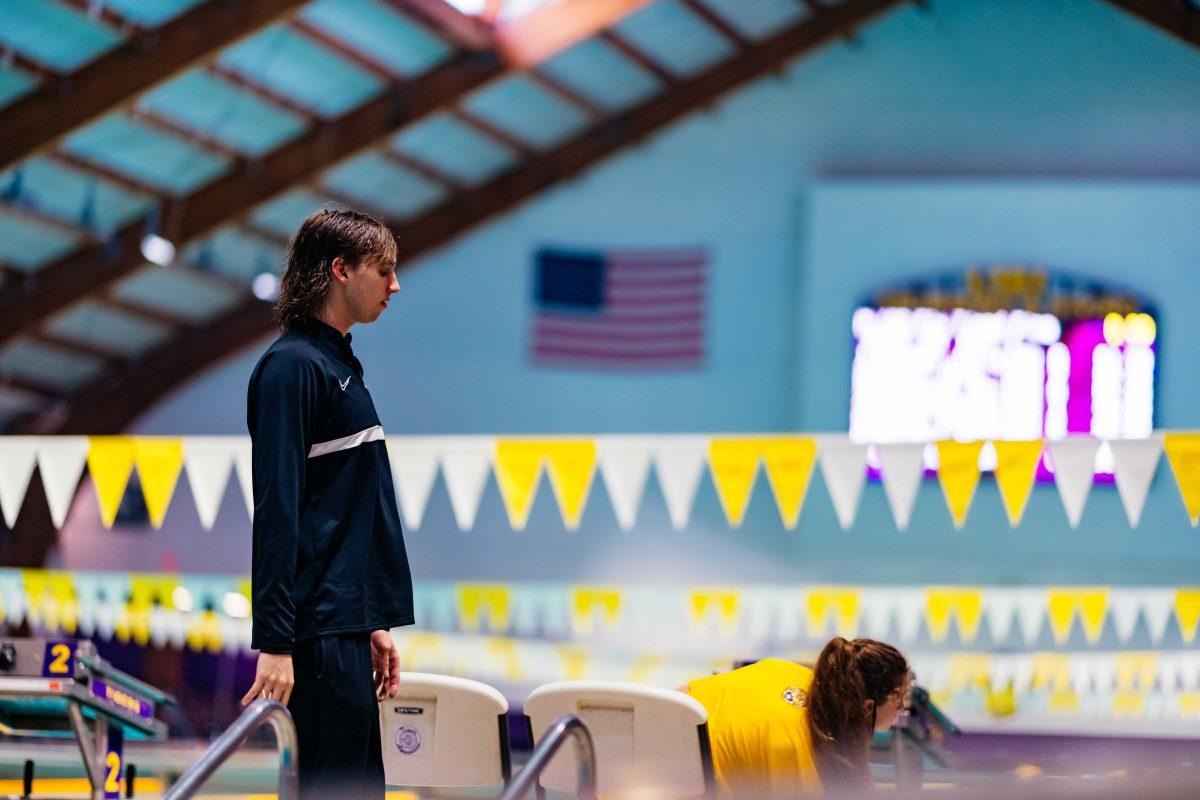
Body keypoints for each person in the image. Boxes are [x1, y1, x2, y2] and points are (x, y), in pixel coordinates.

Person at [242, 209, 413, 799]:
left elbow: (343, 513)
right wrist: (276, 642)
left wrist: (370, 618)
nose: (396, 285)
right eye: (384, 270)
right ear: (340, 269)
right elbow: (279, 510)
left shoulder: (339, 365)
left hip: (344, 626)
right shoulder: (293, 368)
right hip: (313, 637)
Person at [684, 637, 911, 798]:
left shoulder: (782, 669)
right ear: (867, 707)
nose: (903, 706)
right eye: (898, 697)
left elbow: (681, 692)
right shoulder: (811, 762)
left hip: (660, 760)